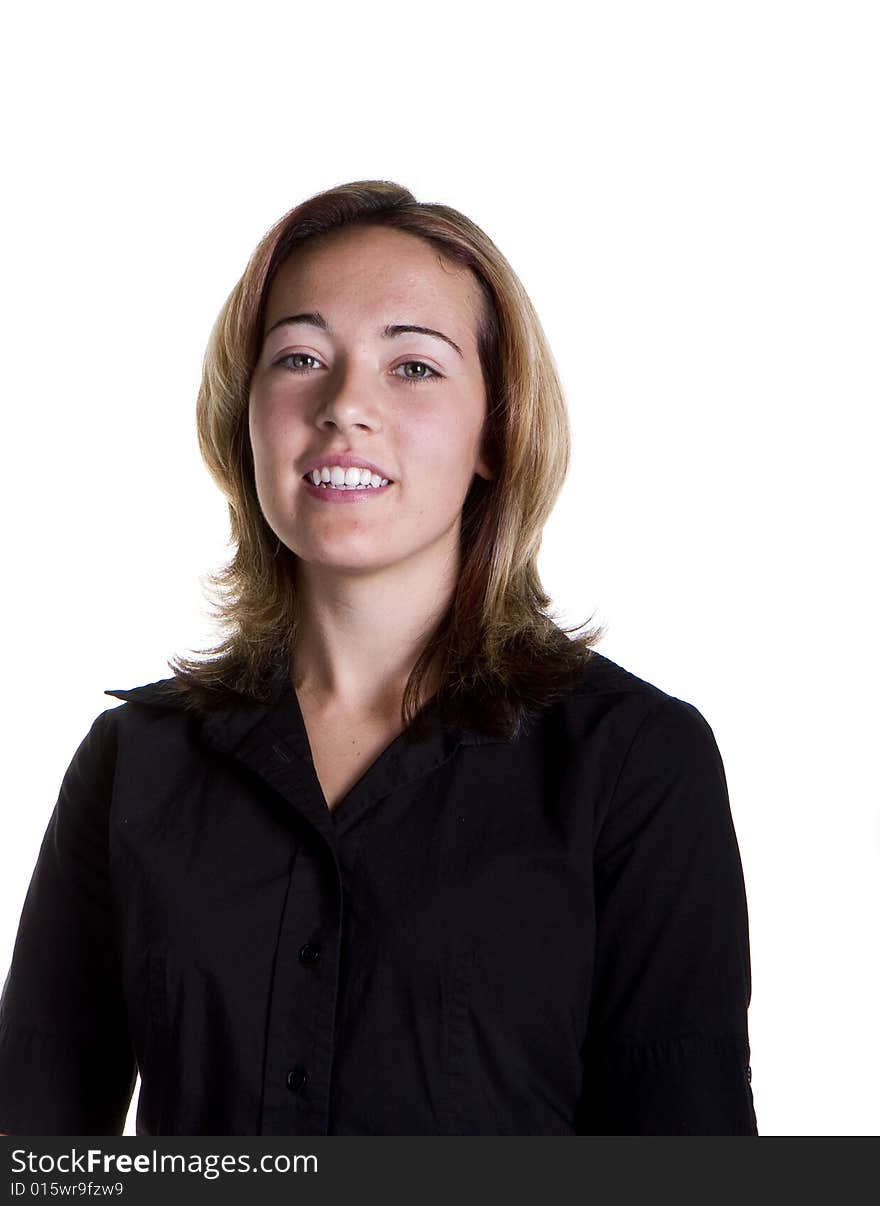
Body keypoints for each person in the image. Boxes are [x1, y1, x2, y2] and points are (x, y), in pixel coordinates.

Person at [0, 180, 758, 1136]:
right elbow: (35, 1153)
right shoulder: (131, 763)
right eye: (302, 357)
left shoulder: (637, 762)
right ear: (248, 417)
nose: (345, 405)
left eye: (414, 368)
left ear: (497, 430)